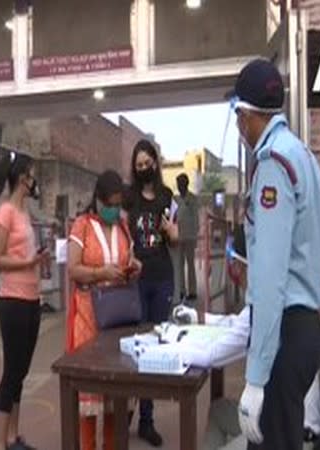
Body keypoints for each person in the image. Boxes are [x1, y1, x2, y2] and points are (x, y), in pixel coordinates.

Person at [230, 59, 320, 450]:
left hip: (284, 336)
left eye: (238, 116)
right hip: (303, 330)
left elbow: (269, 280)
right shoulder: (302, 154)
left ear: (246, 115)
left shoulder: (273, 163)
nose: (238, 128)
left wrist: (255, 378)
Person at [172, 227, 320, 450]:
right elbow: (239, 323)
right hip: (283, 419)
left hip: (288, 435)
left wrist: (167, 350)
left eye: (234, 262)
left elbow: (211, 355)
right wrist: (198, 317)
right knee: (218, 411)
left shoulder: (265, 309)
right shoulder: (280, 295)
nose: (233, 270)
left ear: (247, 265)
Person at [0, 151, 50, 450]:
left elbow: (22, 257)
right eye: (32, 174)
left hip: (31, 298)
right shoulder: (5, 213)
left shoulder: (25, 213)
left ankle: (14, 436)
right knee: (13, 372)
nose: (34, 180)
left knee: (22, 372)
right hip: (13, 299)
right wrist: (28, 262)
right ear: (22, 178)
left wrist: (37, 260)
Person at [67, 170, 143, 450]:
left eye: (117, 204)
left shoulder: (123, 226)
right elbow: (73, 270)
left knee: (114, 399)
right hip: (89, 317)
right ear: (98, 200)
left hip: (119, 319)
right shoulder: (82, 225)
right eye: (109, 203)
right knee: (91, 398)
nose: (114, 209)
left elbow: (128, 258)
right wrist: (101, 273)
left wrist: (133, 267)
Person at [123, 139, 179, 447]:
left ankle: (147, 420)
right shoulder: (129, 198)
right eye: (138, 165)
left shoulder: (167, 196)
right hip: (136, 280)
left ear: (156, 163)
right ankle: (126, 412)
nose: (143, 168)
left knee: (155, 347)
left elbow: (174, 236)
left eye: (147, 163)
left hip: (162, 278)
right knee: (134, 347)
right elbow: (120, 231)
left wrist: (172, 234)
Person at [173, 173, 200, 302]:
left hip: (189, 236)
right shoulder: (175, 200)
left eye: (181, 184)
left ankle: (193, 291)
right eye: (178, 184)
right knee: (179, 265)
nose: (180, 186)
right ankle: (181, 290)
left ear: (186, 184)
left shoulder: (193, 199)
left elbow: (196, 218)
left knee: (190, 265)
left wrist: (195, 235)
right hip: (178, 236)